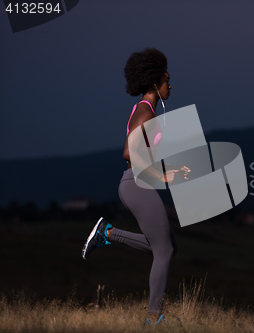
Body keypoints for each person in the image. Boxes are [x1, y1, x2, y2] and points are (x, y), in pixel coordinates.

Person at [81, 47, 190, 326]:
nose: (171, 85)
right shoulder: (145, 112)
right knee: (163, 251)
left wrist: (171, 171)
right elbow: (129, 153)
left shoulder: (146, 109)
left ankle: (108, 233)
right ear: (154, 82)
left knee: (167, 248)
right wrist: (166, 176)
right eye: (167, 80)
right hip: (136, 184)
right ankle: (154, 317)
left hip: (136, 183)